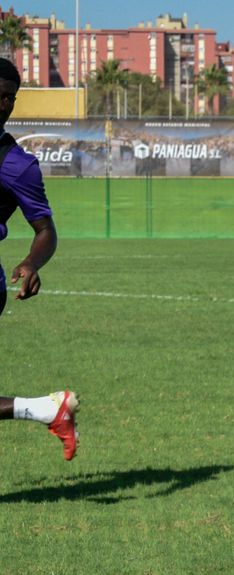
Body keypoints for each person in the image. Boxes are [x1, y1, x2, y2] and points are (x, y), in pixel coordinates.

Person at [0, 58, 74, 460]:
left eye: (8, 98)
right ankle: (46, 409)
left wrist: (31, 263)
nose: (2, 104)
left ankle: (47, 410)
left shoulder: (17, 165)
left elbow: (46, 231)